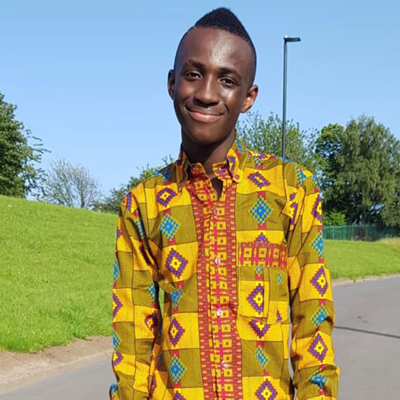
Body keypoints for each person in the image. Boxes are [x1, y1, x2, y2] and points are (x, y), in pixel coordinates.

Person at [109, 7, 339, 400]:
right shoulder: (143, 204)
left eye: (227, 80)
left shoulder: (291, 189)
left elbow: (312, 323)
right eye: (193, 74)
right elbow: (133, 342)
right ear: (172, 82)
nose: (206, 93)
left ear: (248, 97)